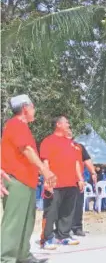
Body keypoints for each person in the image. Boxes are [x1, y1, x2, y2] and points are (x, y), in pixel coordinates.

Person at [1, 94, 56, 263]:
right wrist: (45, 171)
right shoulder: (16, 124)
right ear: (25, 108)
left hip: (26, 181)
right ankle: (6, 258)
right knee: (14, 222)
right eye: (33, 107)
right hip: (16, 180)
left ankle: (23, 255)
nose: (34, 110)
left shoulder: (21, 127)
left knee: (27, 221)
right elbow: (27, 150)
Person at [40, 116, 85, 250]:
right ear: (58, 124)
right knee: (51, 212)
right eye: (66, 122)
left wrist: (80, 179)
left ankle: (63, 236)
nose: (68, 124)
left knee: (67, 211)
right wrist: (47, 180)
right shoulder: (48, 141)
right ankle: (47, 239)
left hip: (71, 183)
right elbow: (45, 162)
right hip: (55, 184)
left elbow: (76, 162)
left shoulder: (71, 143)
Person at [69, 133, 97, 236]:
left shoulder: (79, 147)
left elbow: (87, 160)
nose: (69, 132)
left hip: (78, 180)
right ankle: (63, 229)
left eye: (70, 131)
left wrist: (93, 172)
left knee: (78, 204)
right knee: (64, 205)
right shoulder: (59, 145)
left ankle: (77, 227)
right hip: (63, 180)